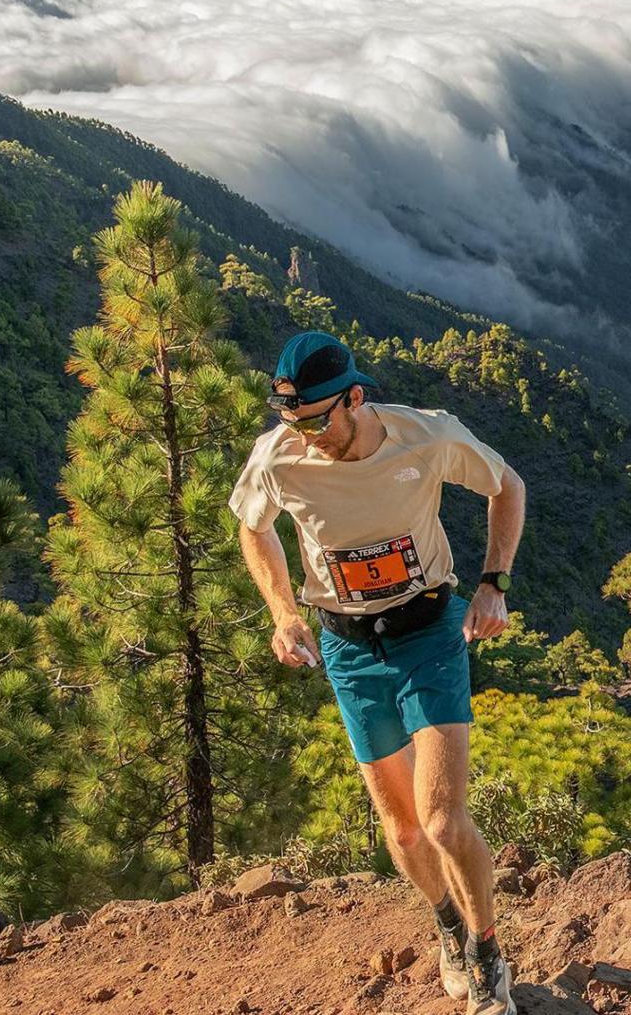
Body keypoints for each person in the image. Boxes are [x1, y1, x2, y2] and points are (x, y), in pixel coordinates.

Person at [229, 330, 525, 1015]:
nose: (302, 436)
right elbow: (253, 525)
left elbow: (506, 484)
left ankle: (487, 955)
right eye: (290, 421)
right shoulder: (278, 458)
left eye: (314, 420)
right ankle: (448, 923)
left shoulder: (424, 436)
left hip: (429, 631)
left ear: (355, 397)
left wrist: (494, 583)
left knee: (445, 820)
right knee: (403, 832)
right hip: (348, 646)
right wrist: (282, 612)